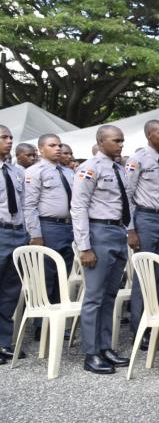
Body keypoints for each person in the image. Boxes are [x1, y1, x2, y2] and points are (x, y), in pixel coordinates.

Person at [70, 125, 132, 374]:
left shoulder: (119, 168)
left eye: (122, 140)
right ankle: (91, 353)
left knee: (109, 295)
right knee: (94, 297)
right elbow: (79, 207)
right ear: (101, 141)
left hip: (117, 232)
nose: (120, 145)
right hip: (98, 233)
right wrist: (85, 246)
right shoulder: (89, 168)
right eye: (116, 140)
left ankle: (105, 347)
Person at [124, 120, 159, 351]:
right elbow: (128, 194)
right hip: (145, 218)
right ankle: (139, 331)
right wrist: (131, 229)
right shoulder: (139, 159)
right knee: (144, 275)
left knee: (157, 276)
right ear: (148, 134)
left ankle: (153, 325)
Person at [24, 134, 75, 315]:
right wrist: (35, 234)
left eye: (59, 145)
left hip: (68, 226)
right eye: (52, 145)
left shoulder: (68, 172)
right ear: (41, 149)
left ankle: (57, 316)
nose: (58, 149)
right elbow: (29, 206)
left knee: (64, 274)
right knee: (46, 274)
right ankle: (42, 322)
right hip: (48, 226)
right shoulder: (34, 172)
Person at [0, 125, 27, 364]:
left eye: (10, 137)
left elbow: (25, 204)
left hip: (17, 233)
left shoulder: (16, 171)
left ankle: (3, 342)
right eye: (3, 137)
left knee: (11, 291)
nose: (9, 141)